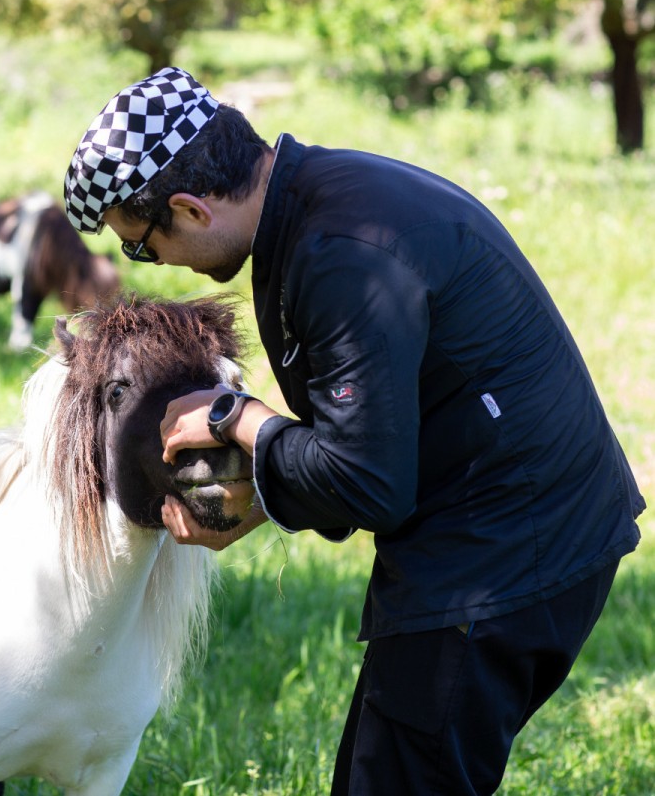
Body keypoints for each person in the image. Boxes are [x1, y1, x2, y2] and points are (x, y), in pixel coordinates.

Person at [63, 67, 645, 795]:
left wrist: (235, 416)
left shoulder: (339, 254)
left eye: (141, 245)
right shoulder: (322, 195)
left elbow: (368, 483)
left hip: (499, 559)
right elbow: (369, 444)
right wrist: (268, 491)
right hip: (529, 525)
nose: (146, 265)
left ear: (188, 207)